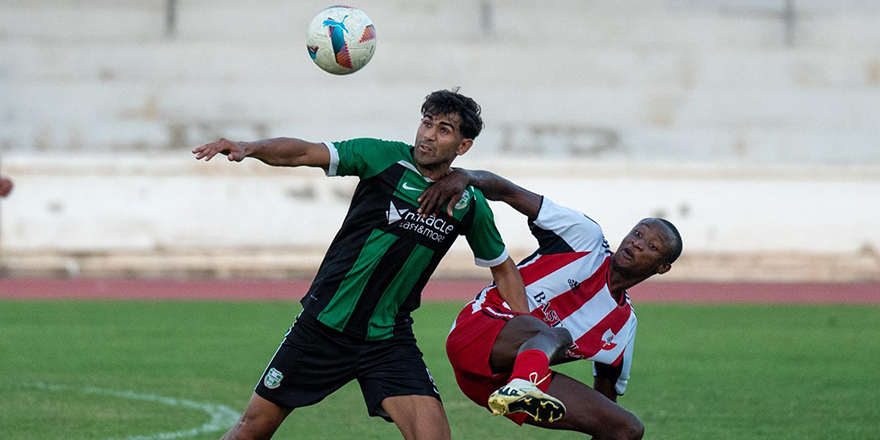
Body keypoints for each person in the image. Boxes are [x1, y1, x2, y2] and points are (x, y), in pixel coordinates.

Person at [191, 89, 527, 440]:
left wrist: (527, 332)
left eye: (443, 129)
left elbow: (503, 268)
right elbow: (306, 151)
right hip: (323, 327)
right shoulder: (381, 157)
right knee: (251, 431)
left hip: (388, 339)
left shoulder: (467, 203)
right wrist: (250, 148)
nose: (428, 134)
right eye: (426, 123)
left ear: (463, 146)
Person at [417, 168, 683, 439]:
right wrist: (468, 177)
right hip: (476, 332)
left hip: (497, 385)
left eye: (652, 246)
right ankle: (523, 385)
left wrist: (606, 425)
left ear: (662, 268)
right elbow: (510, 192)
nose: (638, 244)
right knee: (557, 334)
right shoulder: (584, 238)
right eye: (638, 234)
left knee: (627, 428)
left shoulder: (624, 325)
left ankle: (523, 385)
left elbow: (605, 402)